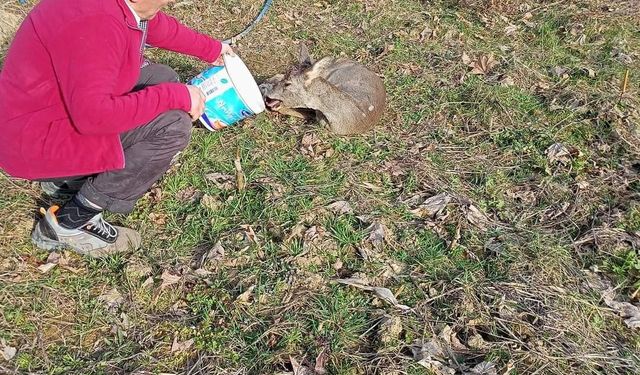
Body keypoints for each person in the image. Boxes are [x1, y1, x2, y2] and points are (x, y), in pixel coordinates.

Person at [0, 0, 233, 257]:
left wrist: (213, 50)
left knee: (161, 78)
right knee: (172, 126)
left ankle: (66, 178)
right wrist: (175, 97)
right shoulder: (98, 25)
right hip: (36, 144)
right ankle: (74, 221)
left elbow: (149, 21)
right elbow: (94, 117)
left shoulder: (113, 7)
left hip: (35, 119)